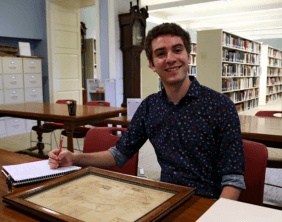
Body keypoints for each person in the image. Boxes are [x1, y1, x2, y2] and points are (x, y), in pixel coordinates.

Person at [48, 23, 246, 200]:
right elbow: (119, 154)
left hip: (210, 202)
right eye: (160, 54)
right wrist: (74, 158)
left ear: (188, 56)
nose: (170, 59)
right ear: (152, 64)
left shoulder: (220, 106)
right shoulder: (150, 107)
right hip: (167, 198)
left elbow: (233, 179)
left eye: (177, 50)